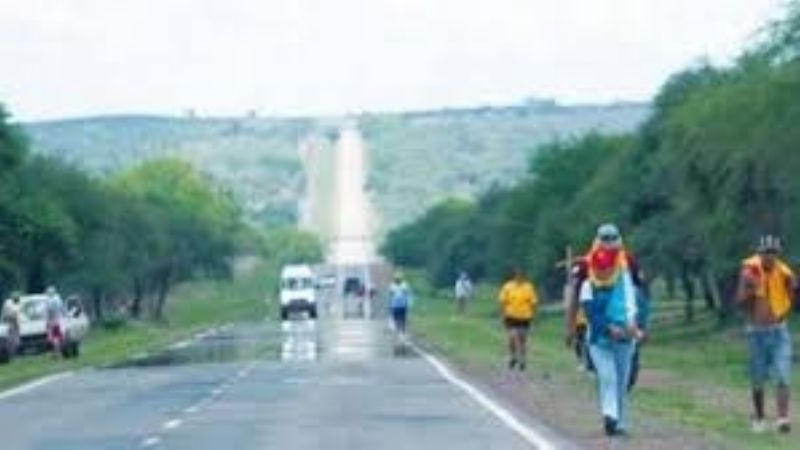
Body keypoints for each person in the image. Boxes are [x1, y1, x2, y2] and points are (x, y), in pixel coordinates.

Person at [579, 224, 643, 436]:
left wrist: (635, 323)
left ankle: (621, 421)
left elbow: (634, 299)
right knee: (608, 377)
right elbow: (591, 314)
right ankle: (610, 416)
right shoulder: (587, 279)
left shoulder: (626, 270)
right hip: (599, 340)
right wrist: (608, 328)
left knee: (622, 381)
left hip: (625, 337)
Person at [737, 235, 797, 434]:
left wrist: (790, 294)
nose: (769, 257)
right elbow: (739, 302)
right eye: (765, 253)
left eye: (773, 253)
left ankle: (782, 418)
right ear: (759, 254)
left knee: (783, 374)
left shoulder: (785, 273)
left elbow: (791, 299)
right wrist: (750, 290)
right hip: (756, 333)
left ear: (778, 254)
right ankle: (760, 417)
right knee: (758, 378)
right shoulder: (749, 271)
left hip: (779, 331)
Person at [497, 268, 538, 371]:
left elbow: (533, 302)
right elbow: (502, 301)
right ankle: (513, 356)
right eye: (517, 275)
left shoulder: (528, 287)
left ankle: (522, 360)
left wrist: (533, 315)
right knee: (512, 336)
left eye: (521, 275)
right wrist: (502, 315)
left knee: (522, 339)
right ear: (514, 276)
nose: (519, 277)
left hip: (525, 316)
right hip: (511, 316)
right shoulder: (508, 287)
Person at [388, 273, 413, 337]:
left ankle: (403, 330)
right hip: (395, 305)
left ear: (401, 279)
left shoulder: (404, 285)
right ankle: (397, 328)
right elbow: (390, 295)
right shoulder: (392, 286)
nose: (397, 280)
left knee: (403, 318)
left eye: (398, 279)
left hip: (403, 304)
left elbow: (408, 294)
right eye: (396, 279)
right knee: (395, 317)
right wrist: (389, 304)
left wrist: (409, 303)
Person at [44, 286, 65, 357]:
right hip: (60, 320)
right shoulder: (58, 299)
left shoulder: (49, 301)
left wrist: (48, 322)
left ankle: (57, 352)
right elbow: (62, 309)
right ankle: (59, 351)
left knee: (54, 338)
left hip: (53, 321)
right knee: (59, 337)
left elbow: (48, 312)